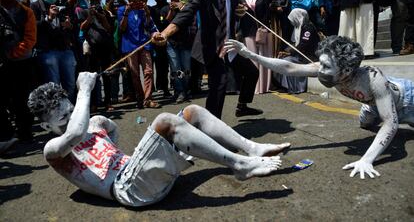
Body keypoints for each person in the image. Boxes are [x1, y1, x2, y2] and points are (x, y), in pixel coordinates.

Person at [27, 71, 290, 207]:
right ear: (44, 125)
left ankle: (251, 148)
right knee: (165, 120)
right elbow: (72, 135)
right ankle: (241, 166)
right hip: (131, 191)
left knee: (192, 112)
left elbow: (112, 133)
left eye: (72, 110)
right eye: (62, 118)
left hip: (141, 173)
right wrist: (84, 90)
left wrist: (121, 157)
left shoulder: (95, 122)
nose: (72, 118)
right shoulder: (52, 151)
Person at [225, 36, 414, 179]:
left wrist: (367, 159)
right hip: (373, 105)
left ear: (346, 71)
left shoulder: (374, 79)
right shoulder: (334, 68)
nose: (319, 69)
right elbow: (289, 68)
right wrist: (249, 54)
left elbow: (391, 122)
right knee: (365, 124)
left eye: (325, 66)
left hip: (407, 101)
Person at [152, 0, 262, 119]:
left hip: (230, 44)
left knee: (252, 72)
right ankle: (211, 129)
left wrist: (239, 9)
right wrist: (165, 33)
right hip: (211, 46)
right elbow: (187, 12)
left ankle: (242, 106)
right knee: (220, 83)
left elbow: (238, 3)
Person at [0, 0, 37, 152]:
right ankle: (6, 136)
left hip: (21, 63)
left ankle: (26, 135)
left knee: (21, 100)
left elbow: (30, 38)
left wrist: (12, 54)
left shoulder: (26, 12)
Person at [31, 0, 79, 102]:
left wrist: (69, 25)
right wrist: (48, 19)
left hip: (64, 50)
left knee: (70, 84)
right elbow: (33, 26)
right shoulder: (35, 7)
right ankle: (57, 114)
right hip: (47, 52)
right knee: (54, 85)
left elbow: (73, 0)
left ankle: (71, 111)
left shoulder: (61, 5)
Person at [118, 0, 160, 109]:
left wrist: (147, 13)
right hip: (130, 46)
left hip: (144, 44)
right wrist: (126, 13)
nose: (133, 1)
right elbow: (122, 28)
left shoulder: (143, 9)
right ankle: (140, 98)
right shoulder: (121, 10)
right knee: (135, 74)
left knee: (148, 71)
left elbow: (148, 26)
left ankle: (148, 99)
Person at [239, 0, 281, 94]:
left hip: (264, 30)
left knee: (265, 58)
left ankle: (266, 86)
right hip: (248, 32)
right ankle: (254, 86)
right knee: (253, 59)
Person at [78, 0, 114, 112]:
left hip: (105, 48)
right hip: (92, 49)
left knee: (106, 75)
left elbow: (109, 29)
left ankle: (108, 102)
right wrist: (90, 17)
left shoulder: (106, 12)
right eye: (92, 1)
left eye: (96, 0)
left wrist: (100, 15)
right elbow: (82, 28)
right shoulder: (83, 12)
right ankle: (93, 104)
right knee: (92, 77)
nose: (94, 3)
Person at [273, 8, 319, 94]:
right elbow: (296, 44)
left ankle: (293, 87)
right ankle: (283, 85)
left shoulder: (308, 28)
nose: (292, 22)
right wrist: (286, 51)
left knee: (287, 61)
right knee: (280, 59)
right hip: (300, 55)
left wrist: (289, 53)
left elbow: (303, 45)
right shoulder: (300, 27)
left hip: (307, 58)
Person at [161, 0, 192, 103]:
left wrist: (182, 7)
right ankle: (179, 91)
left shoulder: (186, 7)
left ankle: (186, 90)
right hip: (172, 43)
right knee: (175, 69)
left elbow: (190, 19)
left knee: (186, 69)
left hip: (185, 42)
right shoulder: (164, 8)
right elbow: (165, 23)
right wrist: (171, 10)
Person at [150, 0, 172, 98]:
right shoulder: (152, 9)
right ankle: (164, 88)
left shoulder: (170, 6)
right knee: (161, 67)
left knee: (173, 65)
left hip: (172, 39)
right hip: (158, 42)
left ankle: (176, 87)